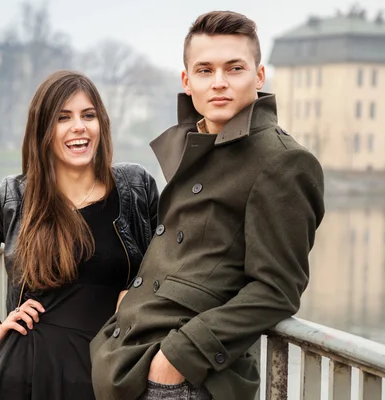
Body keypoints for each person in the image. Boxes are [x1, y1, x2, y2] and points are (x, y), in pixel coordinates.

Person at [90, 10, 325, 400]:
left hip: (185, 378)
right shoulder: (197, 146)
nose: (219, 83)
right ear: (187, 81)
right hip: (129, 362)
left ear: (259, 75)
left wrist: (177, 358)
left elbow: (277, 289)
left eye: (234, 68)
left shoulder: (282, 161)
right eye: (205, 70)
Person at [0, 70, 159, 400]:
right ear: (44, 130)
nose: (79, 127)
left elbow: (170, 261)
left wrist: (134, 295)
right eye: (63, 118)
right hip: (26, 371)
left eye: (88, 115)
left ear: (101, 123)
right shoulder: (14, 197)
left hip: (109, 366)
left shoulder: (136, 187)